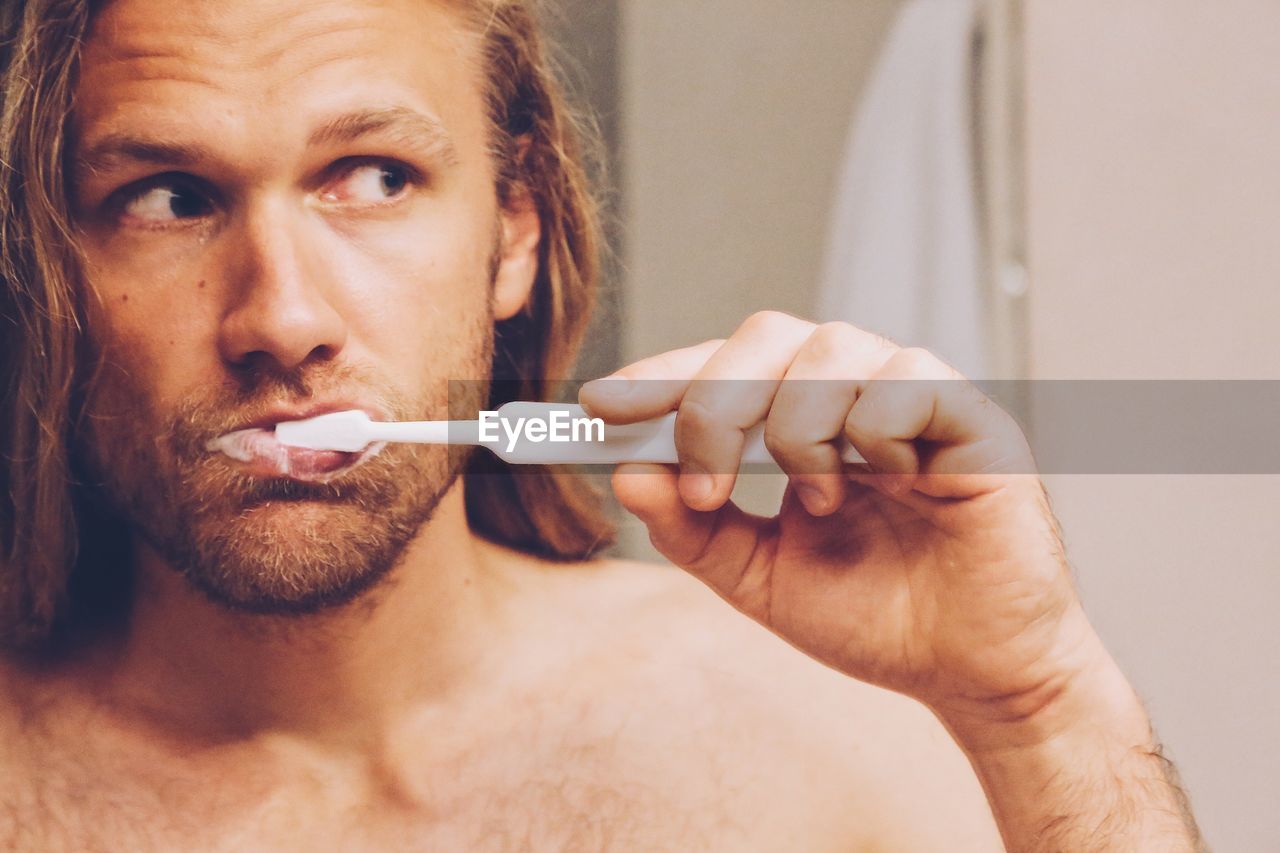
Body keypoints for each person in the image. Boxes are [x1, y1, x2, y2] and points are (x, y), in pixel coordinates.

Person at [0, 0, 1202, 849]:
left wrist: (1036, 707)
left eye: (372, 176)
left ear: (513, 228)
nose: (283, 316)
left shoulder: (824, 733)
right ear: (52, 266)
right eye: (166, 198)